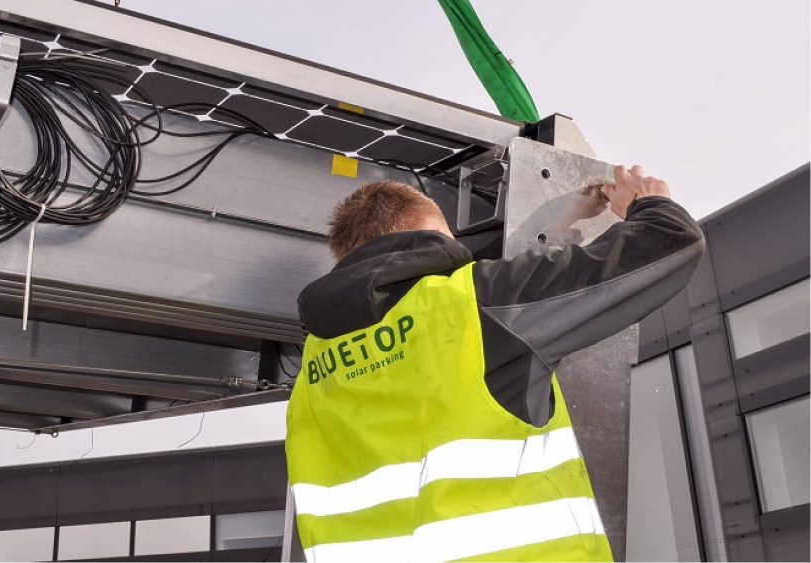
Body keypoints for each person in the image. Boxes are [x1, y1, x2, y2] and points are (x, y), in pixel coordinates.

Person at [285, 165, 704, 562]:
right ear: (431, 237)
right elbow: (671, 241)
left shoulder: (312, 370)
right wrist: (648, 203)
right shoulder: (470, 304)